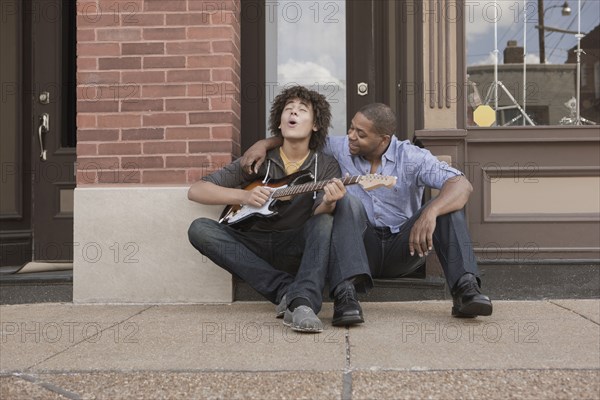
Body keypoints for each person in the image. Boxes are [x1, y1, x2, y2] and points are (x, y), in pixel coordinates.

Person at [241, 103, 493, 322]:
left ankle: (465, 290)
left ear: (383, 139)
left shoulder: (412, 157)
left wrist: (431, 211)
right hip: (361, 247)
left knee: (449, 207)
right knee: (348, 202)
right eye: (351, 128)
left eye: (360, 134)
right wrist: (263, 144)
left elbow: (462, 184)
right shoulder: (341, 148)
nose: (350, 136)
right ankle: (345, 295)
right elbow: (302, 137)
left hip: (404, 248)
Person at [187, 86, 370, 333]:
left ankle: (304, 302)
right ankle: (285, 290)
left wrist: (328, 202)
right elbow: (197, 190)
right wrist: (244, 195)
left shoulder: (325, 165)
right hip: (253, 243)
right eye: (288, 110)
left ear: (315, 125)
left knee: (325, 220)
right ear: (280, 122)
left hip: (295, 244)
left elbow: (320, 213)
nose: (293, 113)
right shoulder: (259, 159)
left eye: (302, 110)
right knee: (200, 229)